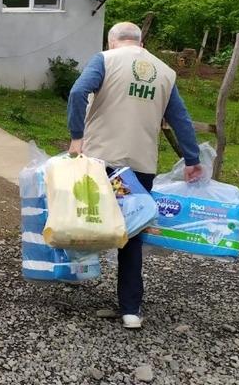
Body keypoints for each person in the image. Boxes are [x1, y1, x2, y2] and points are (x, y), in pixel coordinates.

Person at [67, 22, 202, 329]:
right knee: (132, 234)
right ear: (140, 43)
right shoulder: (165, 72)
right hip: (140, 166)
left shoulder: (105, 59)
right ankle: (130, 311)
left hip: (99, 161)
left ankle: (75, 275)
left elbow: (78, 92)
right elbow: (180, 118)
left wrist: (77, 137)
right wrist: (192, 159)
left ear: (112, 41)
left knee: (85, 217)